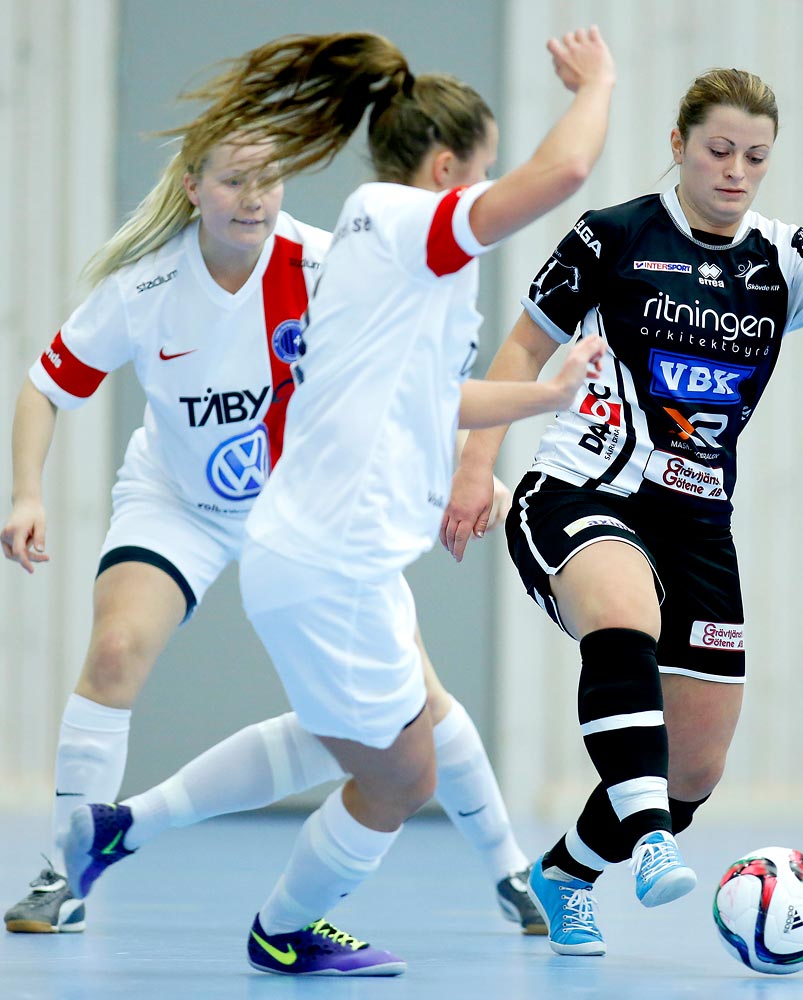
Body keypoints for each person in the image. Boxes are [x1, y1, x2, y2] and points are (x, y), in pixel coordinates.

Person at [63, 27, 615, 977]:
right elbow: (563, 172)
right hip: (334, 563)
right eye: (480, 171)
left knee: (359, 734)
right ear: (447, 168)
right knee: (404, 775)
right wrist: (598, 82)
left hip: (315, 550)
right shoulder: (412, 224)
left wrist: (546, 396)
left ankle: (126, 825)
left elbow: (426, 398)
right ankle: (285, 929)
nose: (486, 187)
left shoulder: (373, 237)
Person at [440, 66, 803, 956]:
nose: (737, 171)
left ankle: (565, 873)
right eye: (719, 150)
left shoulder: (783, 257)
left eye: (756, 157)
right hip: (583, 490)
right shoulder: (612, 237)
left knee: (697, 765)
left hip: (700, 525)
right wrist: (473, 470)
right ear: (677, 145)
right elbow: (525, 343)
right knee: (624, 608)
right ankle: (646, 845)